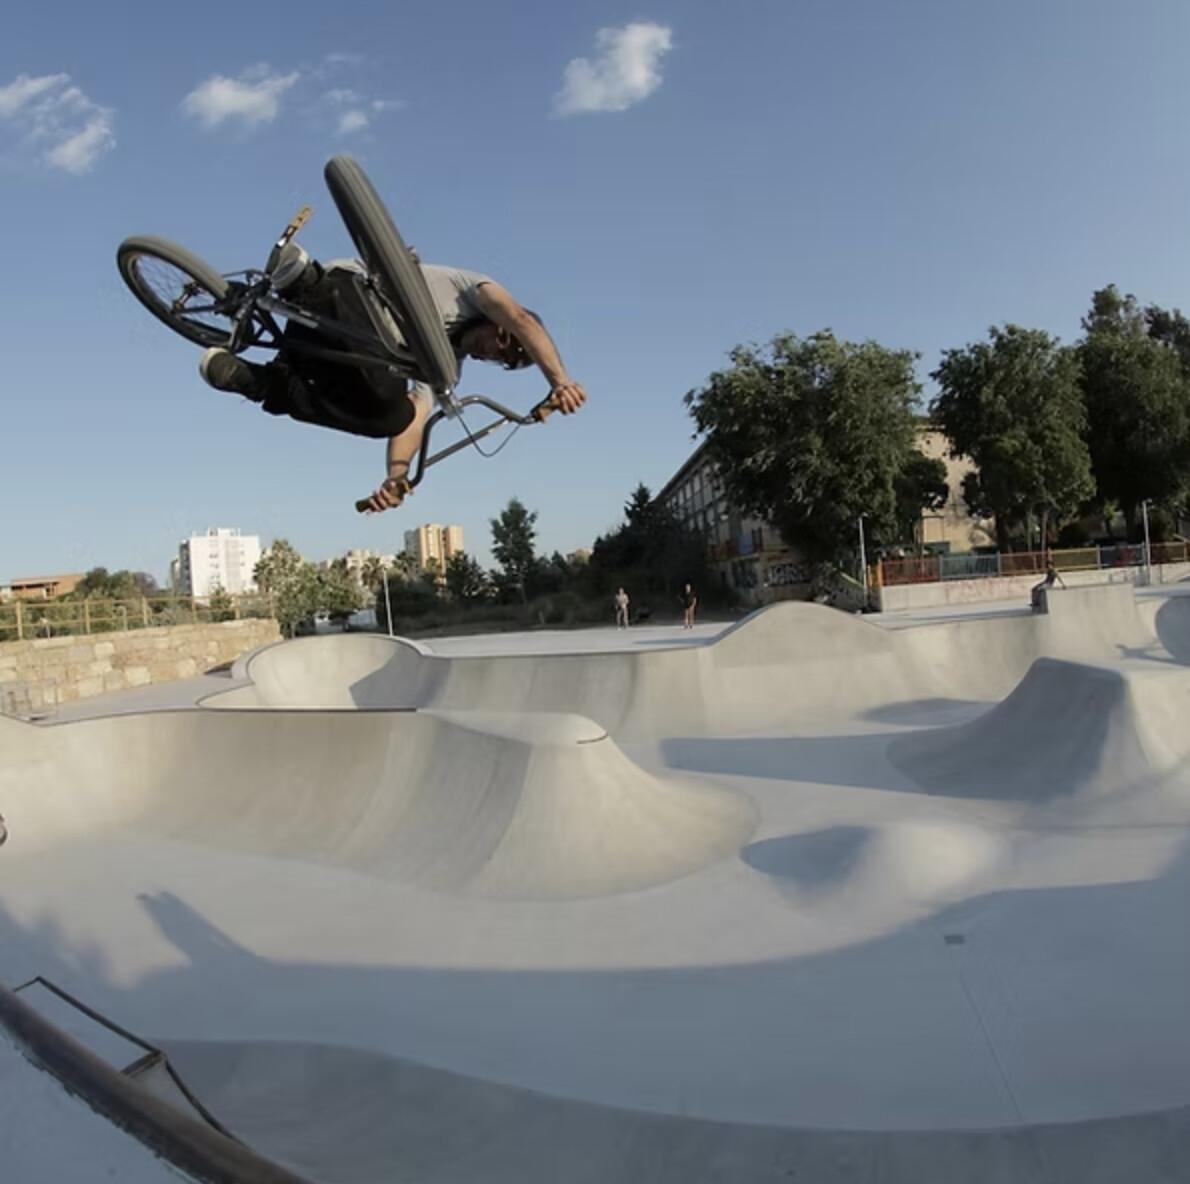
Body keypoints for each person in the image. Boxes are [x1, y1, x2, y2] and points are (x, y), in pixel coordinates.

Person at [196, 251, 586, 512]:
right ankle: (301, 281)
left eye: (505, 360)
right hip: (343, 293)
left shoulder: (445, 368)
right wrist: (560, 382)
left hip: (329, 349)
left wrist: (396, 478)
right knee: (365, 323)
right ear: (497, 322)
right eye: (504, 340)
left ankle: (257, 381)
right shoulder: (474, 292)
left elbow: (415, 417)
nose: (496, 351)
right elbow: (521, 319)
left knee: (391, 416)